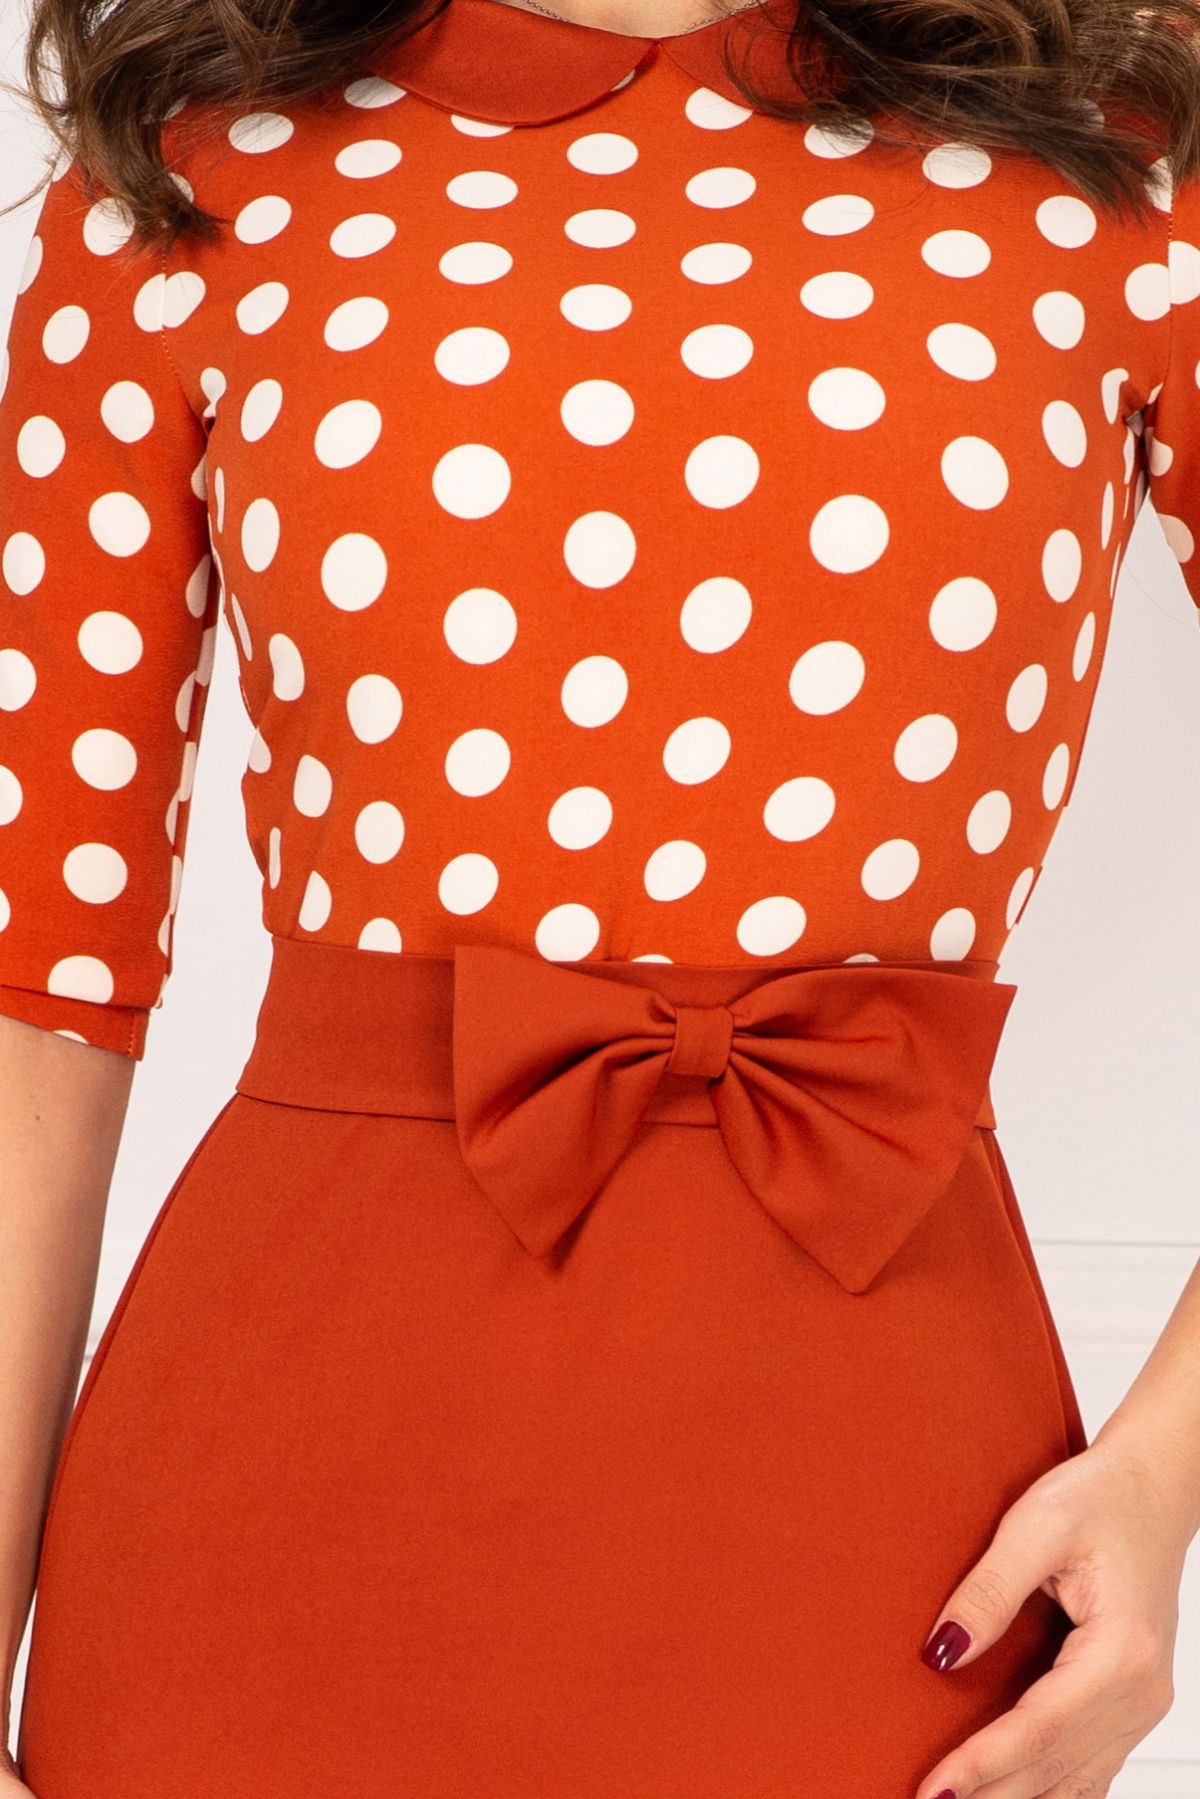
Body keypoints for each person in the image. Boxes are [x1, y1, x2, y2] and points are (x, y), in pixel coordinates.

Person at [2, 0, 1200, 1791]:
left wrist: (1165, 1481)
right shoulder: (189, 167)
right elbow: (39, 994)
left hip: (887, 1524)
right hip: (266, 1514)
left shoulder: (1121, 160)